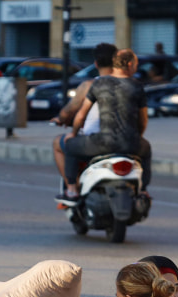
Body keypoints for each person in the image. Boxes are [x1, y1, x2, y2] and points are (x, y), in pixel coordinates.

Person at [58, 49, 150, 204]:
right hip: (130, 143)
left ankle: (72, 190)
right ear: (129, 64)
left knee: (71, 147)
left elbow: (81, 114)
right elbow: (143, 120)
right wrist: (138, 137)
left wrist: (73, 133)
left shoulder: (99, 83)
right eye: (136, 64)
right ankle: (143, 189)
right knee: (146, 150)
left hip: (101, 142)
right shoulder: (136, 86)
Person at [51, 43, 116, 191]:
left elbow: (70, 112)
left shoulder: (89, 85)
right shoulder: (128, 85)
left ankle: (72, 189)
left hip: (95, 141)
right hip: (124, 140)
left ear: (96, 63)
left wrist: (61, 120)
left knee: (59, 143)